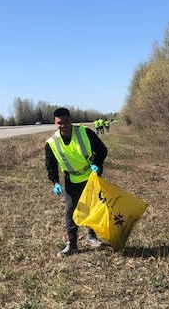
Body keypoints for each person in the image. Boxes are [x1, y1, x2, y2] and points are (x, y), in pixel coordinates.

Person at [45, 107, 109, 257]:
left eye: (66, 121)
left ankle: (91, 237)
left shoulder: (85, 132)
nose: (63, 125)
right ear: (55, 123)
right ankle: (72, 244)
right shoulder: (51, 143)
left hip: (90, 177)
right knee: (71, 210)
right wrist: (55, 182)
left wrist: (97, 164)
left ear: (71, 120)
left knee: (92, 207)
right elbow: (50, 164)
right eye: (60, 122)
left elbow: (102, 150)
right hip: (71, 180)